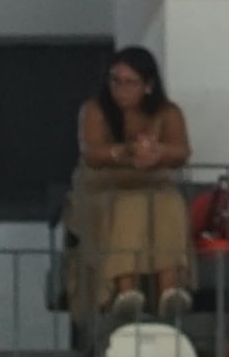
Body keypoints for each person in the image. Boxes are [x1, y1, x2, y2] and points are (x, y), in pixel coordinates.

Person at [71, 44, 195, 322]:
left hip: (153, 182)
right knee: (130, 204)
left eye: (129, 83)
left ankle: (169, 290)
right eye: (115, 80)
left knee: (168, 201)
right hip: (104, 187)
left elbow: (182, 151)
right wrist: (127, 151)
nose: (120, 89)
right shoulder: (96, 109)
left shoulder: (168, 112)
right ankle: (125, 290)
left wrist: (158, 152)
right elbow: (92, 153)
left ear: (148, 85)